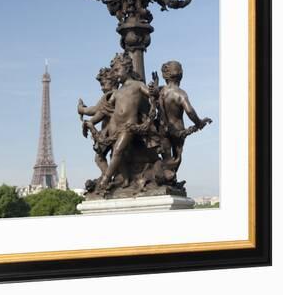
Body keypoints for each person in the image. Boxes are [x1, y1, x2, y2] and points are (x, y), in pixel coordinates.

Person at [97, 54, 151, 192]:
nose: (115, 74)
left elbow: (152, 96)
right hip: (115, 126)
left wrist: (154, 91)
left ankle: (106, 178)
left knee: (118, 151)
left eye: (117, 70)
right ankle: (125, 179)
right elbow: (103, 110)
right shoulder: (116, 92)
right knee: (116, 154)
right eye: (113, 71)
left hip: (129, 126)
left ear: (127, 68)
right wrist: (90, 120)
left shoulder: (138, 85)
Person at [157, 60, 212, 173]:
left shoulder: (161, 91)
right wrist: (199, 123)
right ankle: (171, 178)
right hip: (178, 130)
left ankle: (167, 177)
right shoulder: (180, 93)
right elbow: (190, 111)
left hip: (163, 129)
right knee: (177, 156)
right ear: (180, 75)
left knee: (167, 157)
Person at [77, 66, 117, 176]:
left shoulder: (109, 96)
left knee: (99, 158)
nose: (102, 88)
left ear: (112, 81)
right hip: (113, 130)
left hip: (109, 131)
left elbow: (95, 110)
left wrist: (81, 109)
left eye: (103, 84)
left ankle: (107, 179)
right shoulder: (117, 94)